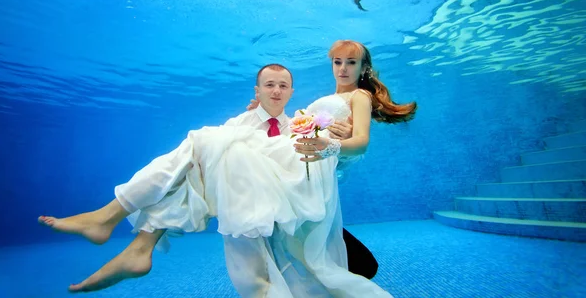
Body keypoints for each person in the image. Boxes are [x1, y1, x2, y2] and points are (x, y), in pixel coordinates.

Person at [39, 40, 416, 296]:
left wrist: (327, 142)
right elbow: (319, 136)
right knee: (203, 158)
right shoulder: (332, 98)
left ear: (364, 67)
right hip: (292, 158)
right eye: (338, 61)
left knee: (204, 142)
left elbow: (359, 143)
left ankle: (115, 222)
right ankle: (133, 241)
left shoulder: (360, 97)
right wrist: (315, 133)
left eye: (352, 62)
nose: (343, 67)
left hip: (302, 167)